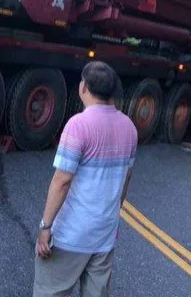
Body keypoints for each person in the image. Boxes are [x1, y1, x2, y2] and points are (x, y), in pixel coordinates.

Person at [33, 61, 138, 297]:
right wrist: (111, 217)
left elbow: (62, 180)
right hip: (105, 233)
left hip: (71, 234)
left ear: (83, 87)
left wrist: (45, 227)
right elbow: (126, 180)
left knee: (51, 290)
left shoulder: (78, 125)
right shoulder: (129, 127)